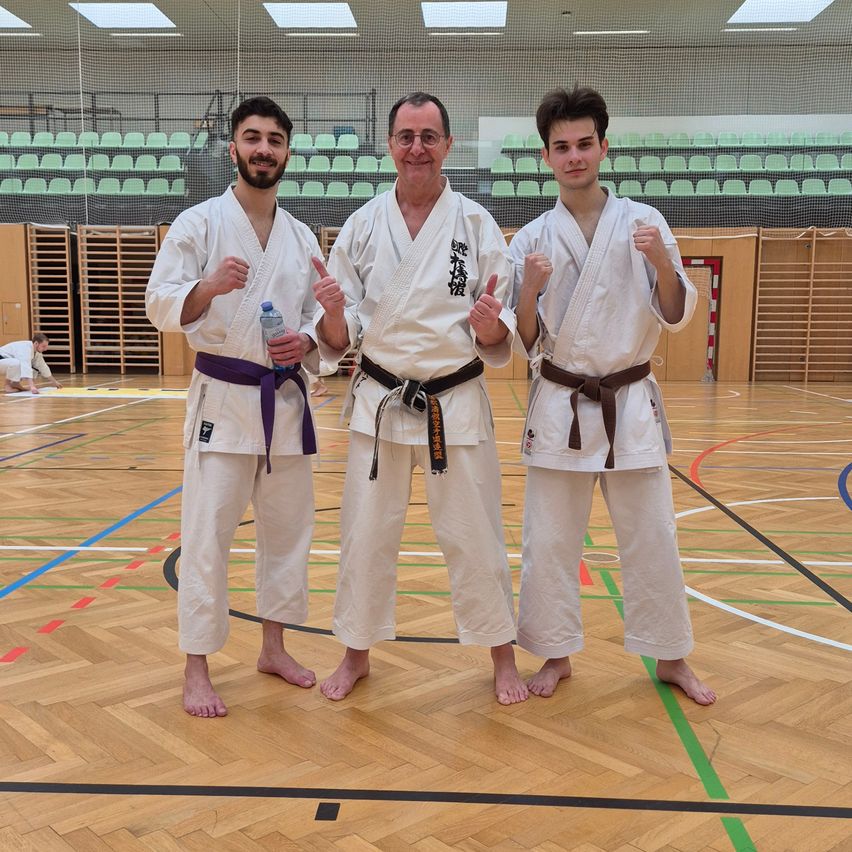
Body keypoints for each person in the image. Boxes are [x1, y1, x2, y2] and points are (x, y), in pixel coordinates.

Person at [313, 91, 528, 705]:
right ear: (390, 145)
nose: (417, 148)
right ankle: (356, 652)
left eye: (428, 136)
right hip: (379, 402)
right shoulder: (362, 225)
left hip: (453, 403)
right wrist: (330, 315)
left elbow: (496, 334)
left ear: (448, 145)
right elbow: (339, 335)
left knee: (475, 534)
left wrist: (490, 322)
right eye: (406, 136)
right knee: (364, 534)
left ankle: (501, 656)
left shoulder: (475, 224)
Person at [510, 87, 716, 705]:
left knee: (652, 532)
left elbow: (677, 314)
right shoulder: (532, 239)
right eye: (561, 147)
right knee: (548, 537)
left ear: (604, 145)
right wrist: (530, 288)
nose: (574, 157)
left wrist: (659, 265)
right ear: (546, 157)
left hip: (629, 402)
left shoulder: (645, 224)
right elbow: (523, 339)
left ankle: (671, 656)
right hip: (560, 397)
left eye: (584, 144)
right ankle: (553, 654)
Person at [146, 96, 322, 718]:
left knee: (287, 534)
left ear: (287, 154)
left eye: (275, 139)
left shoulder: (301, 236)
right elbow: (159, 301)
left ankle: (274, 647)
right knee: (206, 538)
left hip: (285, 404)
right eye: (253, 137)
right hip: (222, 398)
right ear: (234, 148)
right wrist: (209, 287)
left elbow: (319, 317)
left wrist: (310, 338)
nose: (264, 149)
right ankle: (196, 667)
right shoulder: (198, 224)